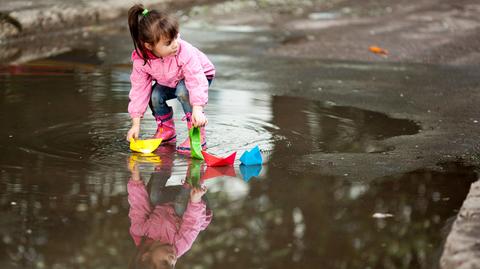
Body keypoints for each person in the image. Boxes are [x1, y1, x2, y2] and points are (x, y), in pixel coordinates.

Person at [125, 4, 215, 154]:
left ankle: (197, 135)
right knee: (154, 95)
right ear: (149, 46)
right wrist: (135, 124)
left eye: (176, 37)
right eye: (168, 43)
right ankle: (166, 130)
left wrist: (198, 109)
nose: (175, 44)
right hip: (170, 80)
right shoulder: (142, 60)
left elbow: (195, 79)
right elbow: (139, 90)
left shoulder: (183, 51)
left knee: (182, 90)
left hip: (200, 76)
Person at [127, 158, 212, 269]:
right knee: (180, 207)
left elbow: (139, 205)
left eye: (165, 263)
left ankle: (163, 164)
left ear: (146, 257)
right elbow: (192, 224)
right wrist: (195, 201)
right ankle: (194, 173)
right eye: (172, 266)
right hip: (195, 203)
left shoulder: (140, 232)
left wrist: (135, 177)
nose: (172, 260)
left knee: (152, 196)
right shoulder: (180, 245)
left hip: (166, 198)